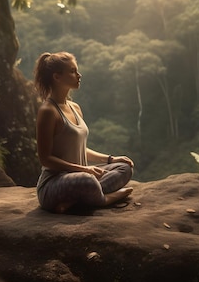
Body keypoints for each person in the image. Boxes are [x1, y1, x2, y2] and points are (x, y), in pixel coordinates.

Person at [33, 51, 134, 213]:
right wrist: (84, 170)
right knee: (87, 180)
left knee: (124, 167)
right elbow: (45, 159)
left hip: (80, 177)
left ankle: (75, 201)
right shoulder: (48, 111)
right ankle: (104, 199)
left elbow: (79, 149)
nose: (79, 75)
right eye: (72, 71)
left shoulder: (75, 108)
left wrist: (110, 159)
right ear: (57, 77)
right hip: (54, 185)